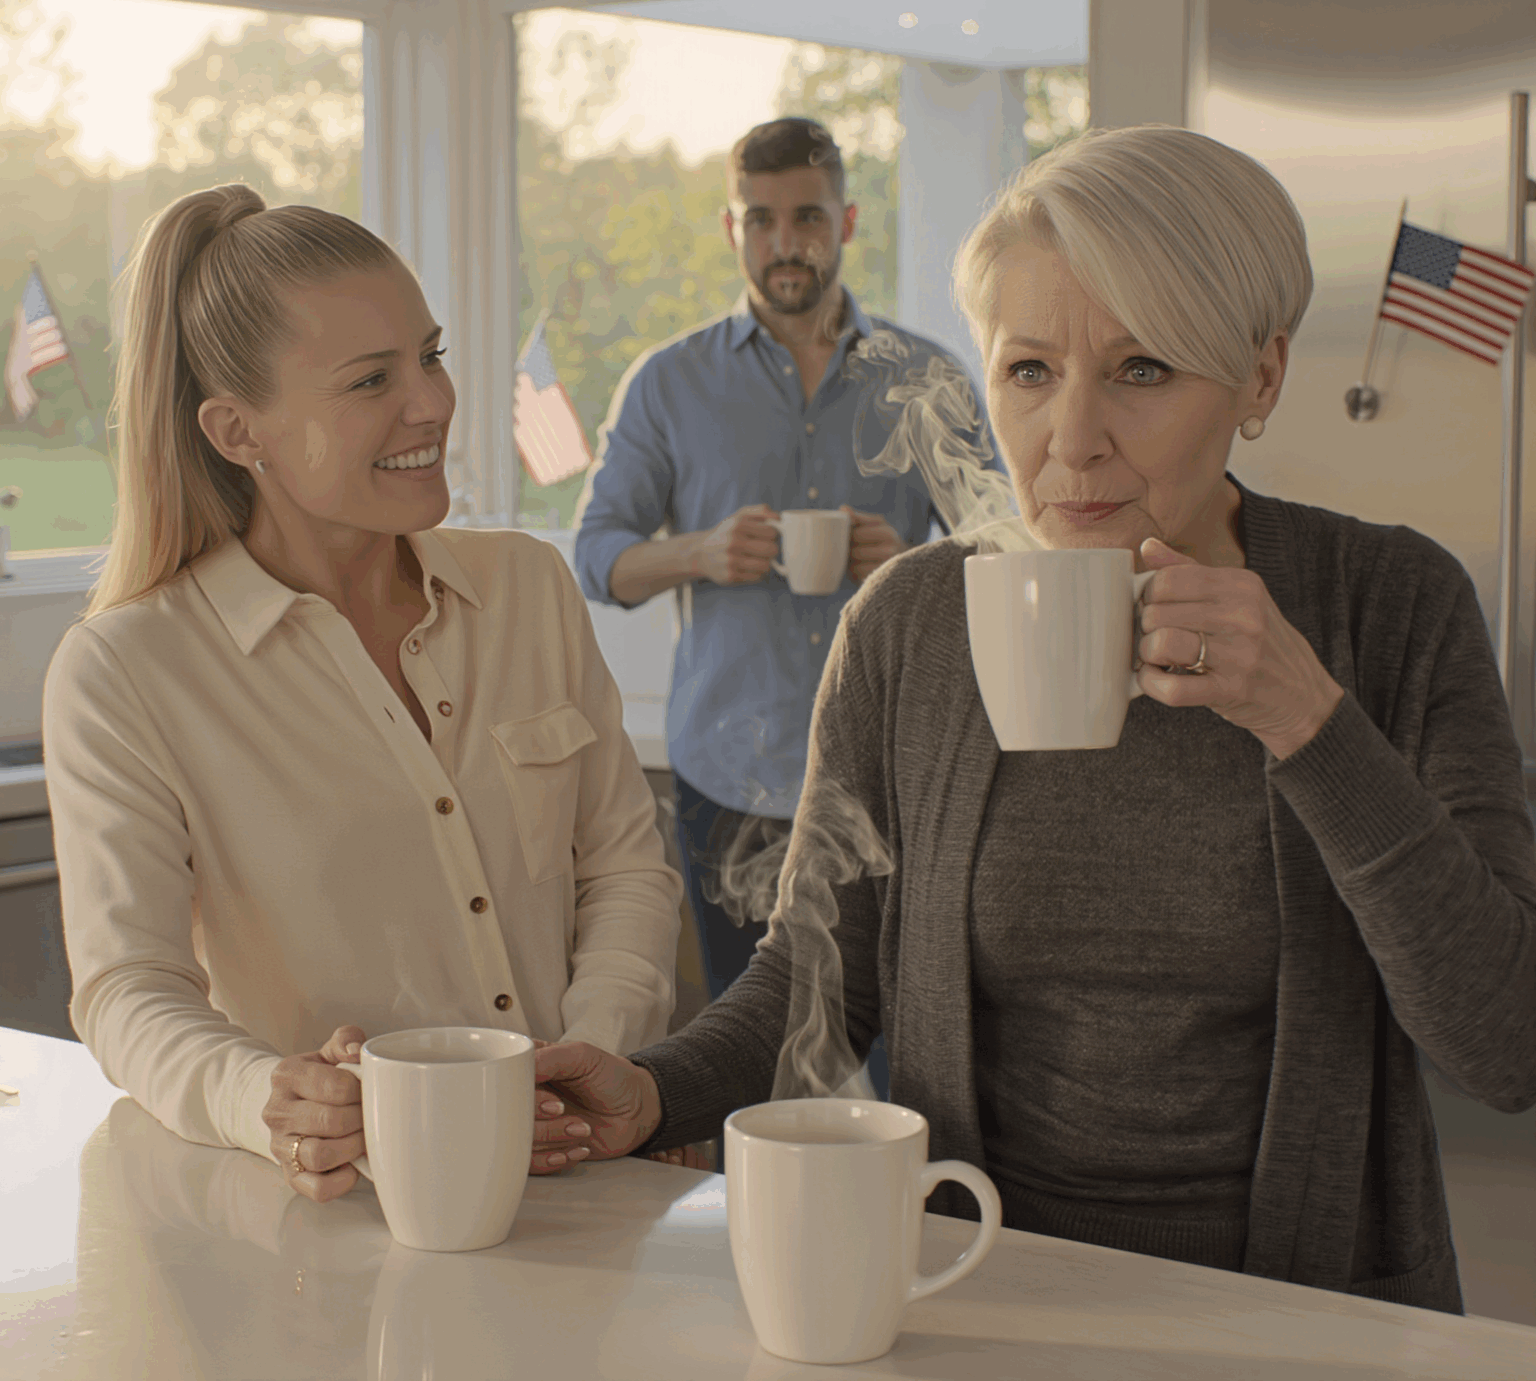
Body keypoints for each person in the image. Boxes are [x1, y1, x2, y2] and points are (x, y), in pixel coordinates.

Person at [531, 125, 1536, 1313]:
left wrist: (1309, 721)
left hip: (1308, 1305)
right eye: (1029, 371)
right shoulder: (910, 621)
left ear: (1261, 377)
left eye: (1143, 370)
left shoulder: (1393, 605)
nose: (1071, 442)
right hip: (979, 1288)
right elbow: (818, 972)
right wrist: (649, 1092)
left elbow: (1503, 1044)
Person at [43, 183, 682, 1204]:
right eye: (369, 380)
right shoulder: (126, 672)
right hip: (339, 1223)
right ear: (237, 430)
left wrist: (583, 1058)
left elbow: (623, 873)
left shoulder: (527, 588)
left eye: (428, 356)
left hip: (584, 1177)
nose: (430, 403)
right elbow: (129, 988)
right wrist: (265, 1098)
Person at [573, 117, 986, 1037]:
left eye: (806, 216)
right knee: (744, 1050)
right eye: (760, 219)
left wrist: (920, 567)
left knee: (890, 1054)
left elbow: (1010, 555)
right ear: (732, 229)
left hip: (887, 778)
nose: (784, 241)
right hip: (729, 781)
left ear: (845, 222)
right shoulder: (666, 384)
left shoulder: (925, 376)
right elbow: (596, 556)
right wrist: (700, 553)